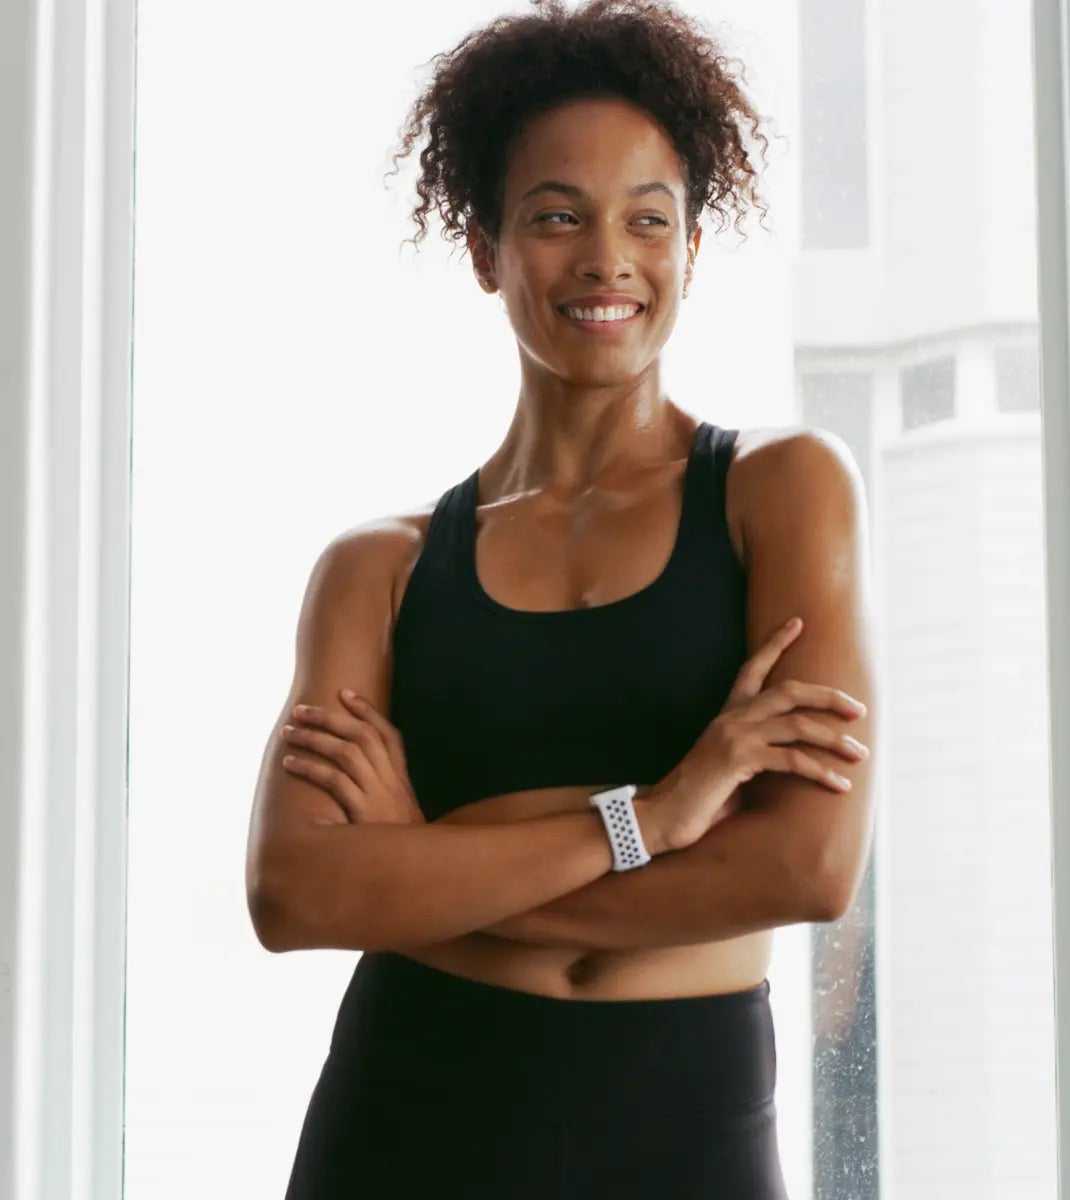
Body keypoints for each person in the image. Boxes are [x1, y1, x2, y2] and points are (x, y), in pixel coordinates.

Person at [242, 1, 880, 1195]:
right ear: (485, 247)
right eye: (555, 217)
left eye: (650, 218)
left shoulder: (782, 493)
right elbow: (296, 893)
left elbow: (804, 869)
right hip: (411, 1105)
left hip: (682, 1121)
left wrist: (426, 863)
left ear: (691, 248)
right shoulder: (375, 569)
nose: (606, 259)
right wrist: (658, 811)